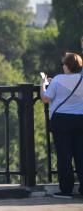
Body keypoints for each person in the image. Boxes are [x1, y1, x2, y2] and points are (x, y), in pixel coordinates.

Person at [41, 52, 83, 199]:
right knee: (80, 155)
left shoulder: (58, 79)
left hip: (61, 121)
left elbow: (46, 98)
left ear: (66, 65)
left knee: (64, 156)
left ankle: (66, 190)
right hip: (80, 120)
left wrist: (43, 84)